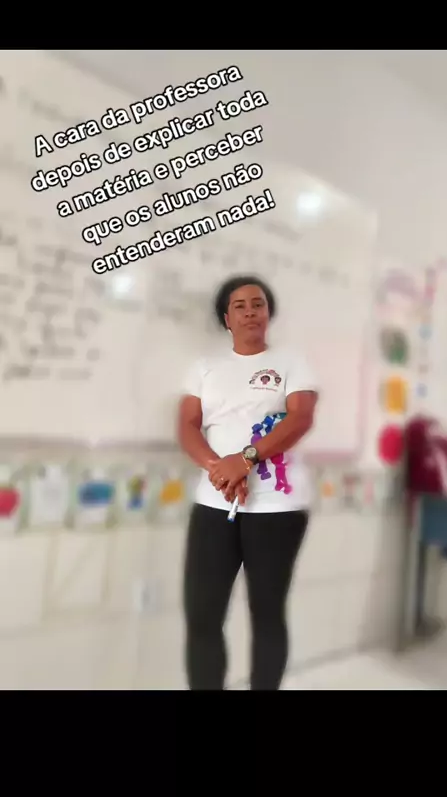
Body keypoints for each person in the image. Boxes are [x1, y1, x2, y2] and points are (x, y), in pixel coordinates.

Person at [177, 275, 319, 690]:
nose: (250, 312)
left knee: (267, 613)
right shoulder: (204, 368)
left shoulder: (292, 362)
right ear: (226, 318)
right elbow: (187, 426)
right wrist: (219, 469)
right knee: (202, 616)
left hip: (277, 508)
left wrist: (245, 460)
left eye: (258, 304)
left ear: (268, 313)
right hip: (214, 504)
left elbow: (301, 417)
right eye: (239, 306)